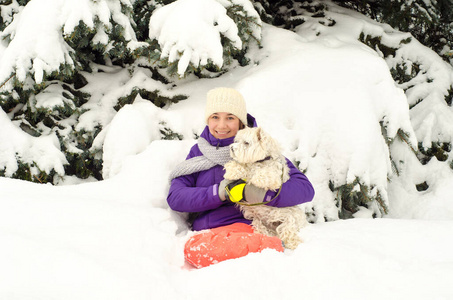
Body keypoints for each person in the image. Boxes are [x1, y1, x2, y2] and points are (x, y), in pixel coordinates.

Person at [167, 87, 315, 268]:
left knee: (201, 250)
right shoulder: (198, 153)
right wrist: (219, 193)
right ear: (208, 120)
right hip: (209, 231)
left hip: (249, 225)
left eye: (230, 117)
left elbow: (305, 189)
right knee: (196, 249)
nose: (221, 125)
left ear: (240, 121)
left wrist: (266, 195)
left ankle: (271, 247)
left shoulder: (259, 149)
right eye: (215, 117)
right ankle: (266, 249)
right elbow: (176, 197)